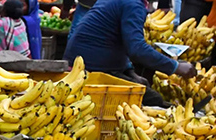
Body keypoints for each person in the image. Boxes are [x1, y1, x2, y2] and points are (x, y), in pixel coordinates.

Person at [65, 0, 197, 107]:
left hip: (86, 62)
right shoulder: (133, 4)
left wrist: (131, 73)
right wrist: (175, 67)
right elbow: (137, 49)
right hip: (92, 69)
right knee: (154, 100)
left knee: (144, 88)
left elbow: (122, 41)